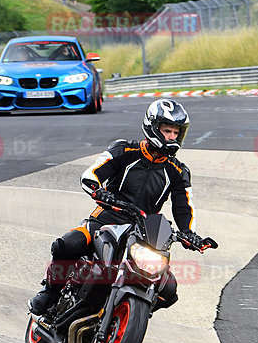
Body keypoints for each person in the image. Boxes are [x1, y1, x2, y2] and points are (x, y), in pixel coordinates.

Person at [29, 98, 206, 315]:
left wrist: (190, 234)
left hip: (143, 232)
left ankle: (129, 313)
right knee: (66, 245)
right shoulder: (125, 150)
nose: (171, 137)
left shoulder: (178, 171)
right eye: (167, 130)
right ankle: (50, 292)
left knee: (168, 291)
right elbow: (92, 174)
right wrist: (98, 189)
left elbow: (183, 207)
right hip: (105, 218)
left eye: (176, 133)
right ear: (152, 127)